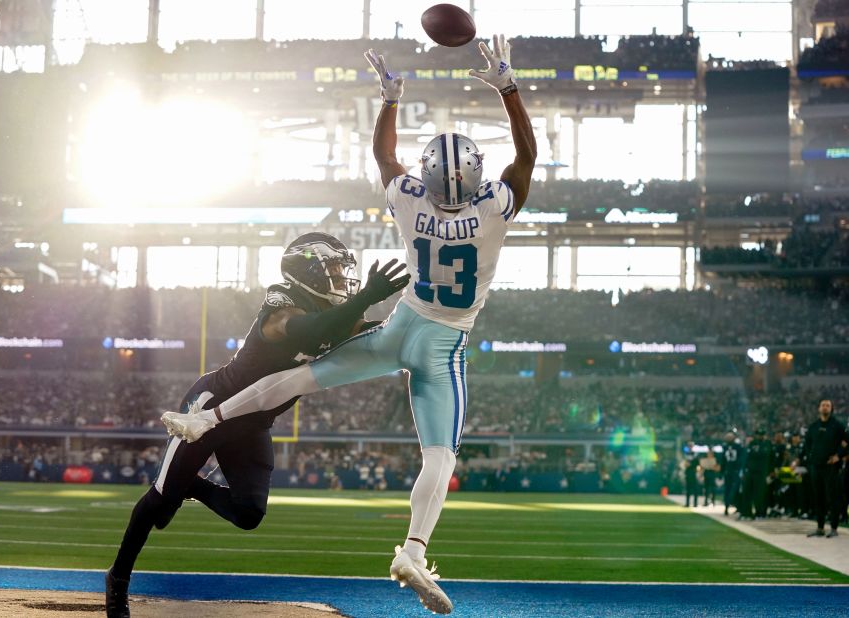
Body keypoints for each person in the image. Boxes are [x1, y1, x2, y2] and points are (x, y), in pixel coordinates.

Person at [161, 34, 537, 615]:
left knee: (297, 377)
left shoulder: (410, 199)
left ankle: (204, 418)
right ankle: (413, 549)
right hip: (443, 346)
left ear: (430, 175)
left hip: (400, 326)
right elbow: (526, 157)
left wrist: (389, 99)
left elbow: (385, 158)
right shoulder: (493, 208)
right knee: (440, 454)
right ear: (475, 174)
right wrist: (508, 87)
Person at [104, 233, 409, 618]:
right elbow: (309, 331)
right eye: (331, 268)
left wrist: (417, 325)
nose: (340, 277)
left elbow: (367, 331)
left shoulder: (330, 314)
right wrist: (366, 297)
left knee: (248, 514)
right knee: (160, 506)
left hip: (253, 423)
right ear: (306, 271)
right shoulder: (281, 307)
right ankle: (118, 580)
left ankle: (191, 485)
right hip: (211, 411)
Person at [803, 399, 847, 538]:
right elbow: (807, 444)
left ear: (831, 408)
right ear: (819, 408)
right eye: (823, 405)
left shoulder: (837, 425)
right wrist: (811, 457)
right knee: (818, 498)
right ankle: (820, 528)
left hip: (831, 468)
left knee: (832, 498)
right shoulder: (813, 426)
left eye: (828, 405)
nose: (825, 407)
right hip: (816, 467)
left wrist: (838, 456)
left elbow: (847, 442)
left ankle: (834, 528)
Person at [741, 428, 773, 520]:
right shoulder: (752, 444)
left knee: (760, 494)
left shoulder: (767, 444)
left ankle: (760, 513)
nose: (760, 436)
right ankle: (747, 513)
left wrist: (771, 470)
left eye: (761, 434)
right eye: (759, 434)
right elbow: (746, 458)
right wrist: (744, 470)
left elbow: (771, 458)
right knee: (747, 492)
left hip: (762, 472)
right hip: (751, 471)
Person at [720, 431, 744, 516]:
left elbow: (741, 460)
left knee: (735, 490)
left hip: (735, 472)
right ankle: (727, 507)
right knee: (728, 490)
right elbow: (723, 460)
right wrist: (721, 472)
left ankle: (737, 506)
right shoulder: (725, 447)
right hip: (728, 472)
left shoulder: (738, 447)